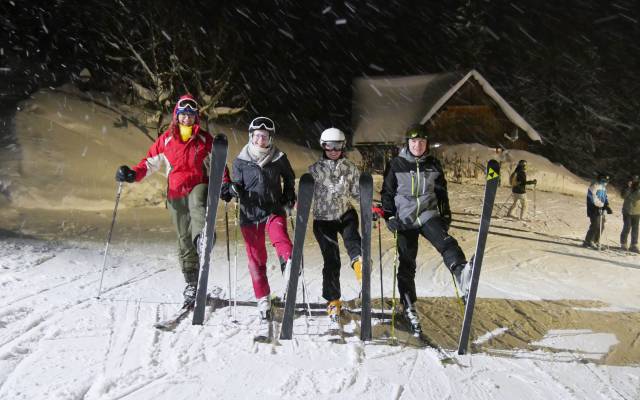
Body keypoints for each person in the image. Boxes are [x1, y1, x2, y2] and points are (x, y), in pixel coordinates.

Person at [115, 95, 230, 308]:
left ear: (196, 118)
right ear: (177, 116)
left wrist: (225, 183)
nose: (187, 119)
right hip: (176, 191)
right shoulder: (166, 139)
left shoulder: (205, 139)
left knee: (198, 203)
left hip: (198, 184)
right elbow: (149, 163)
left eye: (191, 115)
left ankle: (203, 238)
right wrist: (132, 174)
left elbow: (219, 163)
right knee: (183, 238)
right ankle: (191, 283)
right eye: (183, 115)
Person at [380, 124, 471, 335]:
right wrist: (389, 215)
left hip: (428, 214)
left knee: (446, 242)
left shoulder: (433, 164)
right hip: (404, 218)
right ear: (407, 143)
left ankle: (461, 272)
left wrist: (445, 213)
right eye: (413, 142)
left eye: (421, 142)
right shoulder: (396, 164)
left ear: (426, 144)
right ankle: (408, 305)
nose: (417, 145)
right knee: (407, 262)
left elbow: (441, 192)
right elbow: (387, 192)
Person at [221, 116, 295, 326]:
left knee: (280, 236)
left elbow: (289, 177)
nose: (261, 140)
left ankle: (290, 263)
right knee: (256, 259)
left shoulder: (279, 157)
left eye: (265, 136)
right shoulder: (241, 160)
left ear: (270, 138)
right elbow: (234, 185)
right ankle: (263, 298)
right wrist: (233, 189)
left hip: (273, 208)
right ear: (251, 137)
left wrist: (289, 195)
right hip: (250, 212)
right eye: (257, 136)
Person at [308, 128, 362, 327]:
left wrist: (370, 204)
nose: (333, 150)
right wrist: (298, 202)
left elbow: (357, 193)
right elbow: (306, 194)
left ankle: (360, 265)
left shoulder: (350, 168)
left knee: (353, 240)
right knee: (332, 260)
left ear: (343, 146)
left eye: (337, 146)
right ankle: (333, 301)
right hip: (323, 221)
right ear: (323, 146)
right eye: (329, 146)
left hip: (345, 214)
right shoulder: (314, 170)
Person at [583, 173, 612, 249]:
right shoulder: (594, 186)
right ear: (599, 180)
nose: (605, 183)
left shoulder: (603, 188)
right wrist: (599, 206)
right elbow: (592, 198)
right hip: (593, 209)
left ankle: (596, 241)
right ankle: (588, 241)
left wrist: (607, 206)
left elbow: (605, 198)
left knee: (601, 226)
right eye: (604, 181)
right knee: (595, 225)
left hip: (600, 209)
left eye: (607, 181)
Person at [620, 175, 640, 252]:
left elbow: (636, 196)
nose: (634, 182)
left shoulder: (638, 188)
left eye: (635, 180)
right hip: (627, 211)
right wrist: (628, 187)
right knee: (627, 227)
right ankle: (623, 244)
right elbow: (623, 196)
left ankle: (633, 245)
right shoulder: (626, 187)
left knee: (635, 229)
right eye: (632, 180)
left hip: (637, 212)